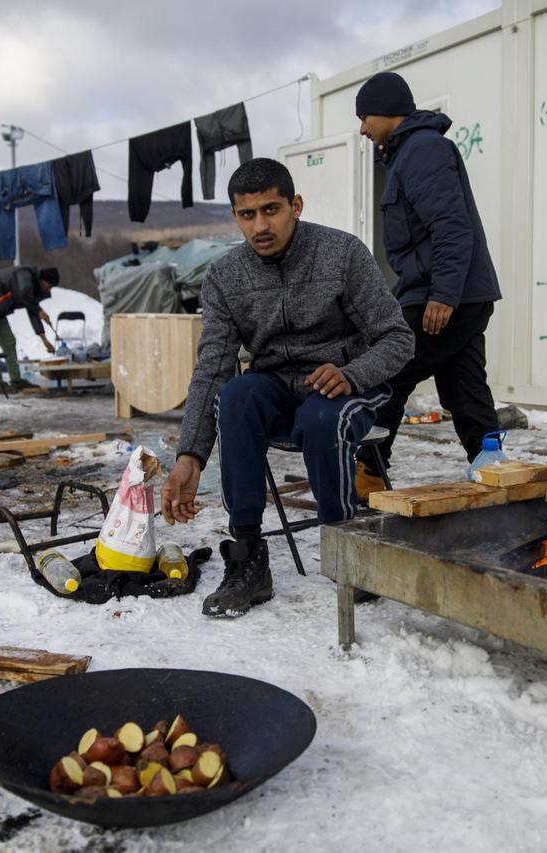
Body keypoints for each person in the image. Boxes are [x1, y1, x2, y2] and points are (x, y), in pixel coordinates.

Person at [161, 158, 414, 618]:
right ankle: (248, 558)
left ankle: (346, 543)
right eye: (247, 214)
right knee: (235, 396)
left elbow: (399, 338)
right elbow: (213, 366)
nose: (260, 225)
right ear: (235, 216)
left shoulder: (342, 254)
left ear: (295, 205)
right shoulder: (225, 277)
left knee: (322, 418)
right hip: (277, 385)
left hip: (350, 382)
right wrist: (188, 456)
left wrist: (352, 372)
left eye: (271, 209)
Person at [352, 71, 504, 496]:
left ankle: (368, 470)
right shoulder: (410, 152)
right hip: (460, 293)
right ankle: (491, 465)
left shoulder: (421, 151)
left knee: (387, 372)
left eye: (364, 117)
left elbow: (452, 228)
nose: (362, 128)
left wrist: (443, 294)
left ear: (385, 111)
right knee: (464, 383)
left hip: (443, 294)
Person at [0, 265, 59, 392]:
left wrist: (44, 339)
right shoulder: (25, 274)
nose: (49, 289)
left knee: (9, 342)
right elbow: (25, 293)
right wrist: (39, 310)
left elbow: (32, 311)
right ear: (43, 280)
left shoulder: (33, 289)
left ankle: (16, 380)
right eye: (49, 285)